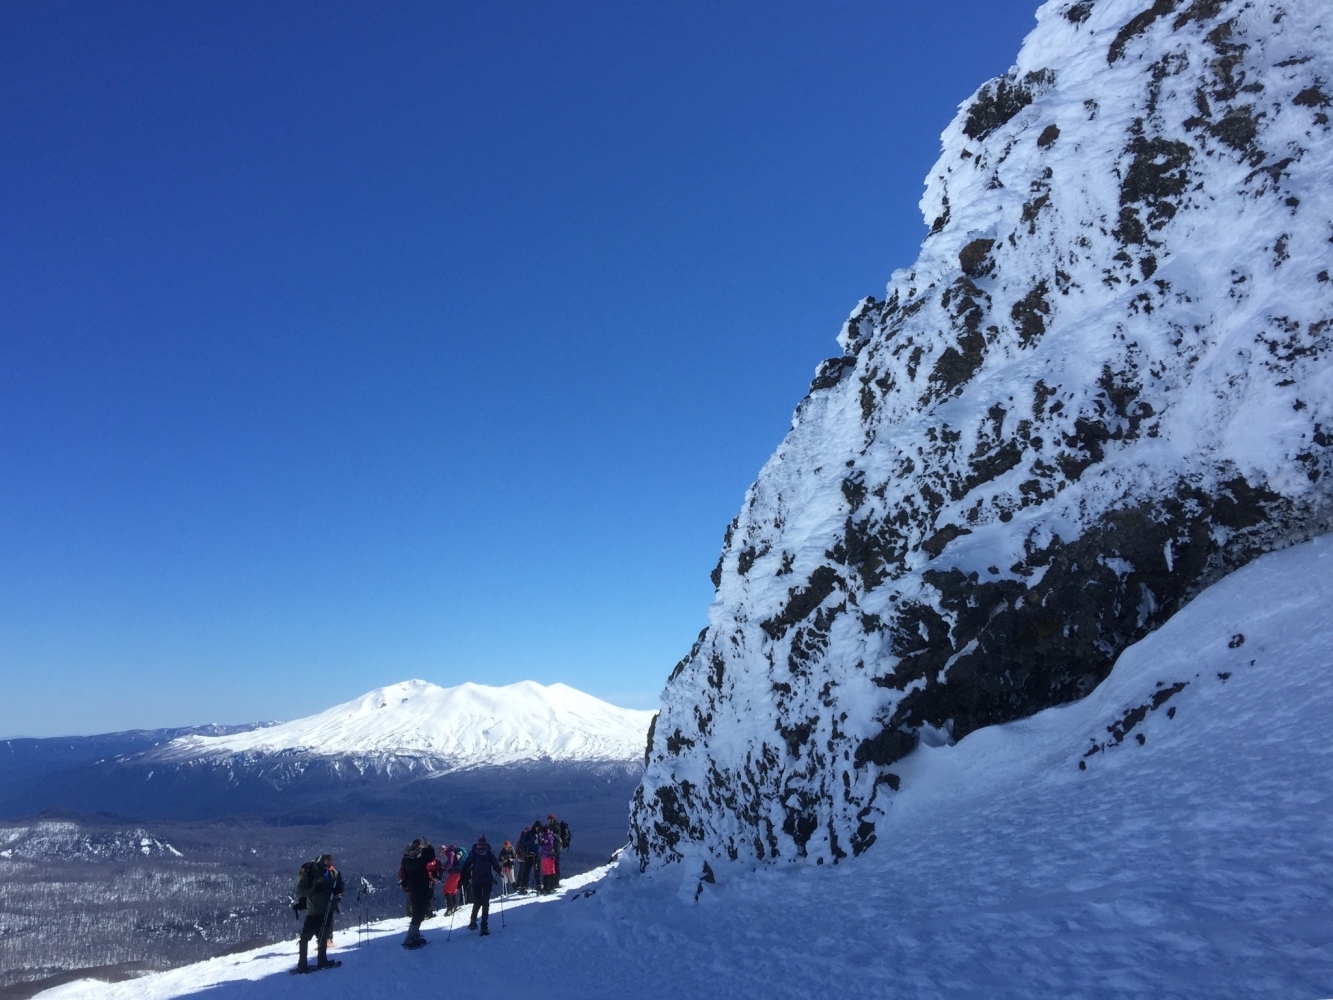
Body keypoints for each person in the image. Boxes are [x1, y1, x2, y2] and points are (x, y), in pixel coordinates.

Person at [294, 853, 344, 973]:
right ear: (321, 861)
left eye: (330, 862)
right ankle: (302, 965)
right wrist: (315, 889)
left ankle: (322, 961)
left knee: (323, 936)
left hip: (328, 909)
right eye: (326, 862)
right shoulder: (310, 872)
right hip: (314, 910)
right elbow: (300, 891)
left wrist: (339, 890)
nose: (329, 864)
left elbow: (340, 886)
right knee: (306, 937)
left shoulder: (333, 873)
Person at [460, 834, 503, 935]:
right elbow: (495, 864)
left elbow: (466, 864)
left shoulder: (474, 853)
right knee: (484, 903)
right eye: (480, 846)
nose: (481, 848)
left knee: (478, 902)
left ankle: (474, 922)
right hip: (485, 880)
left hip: (477, 880)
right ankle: (483, 926)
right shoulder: (488, 853)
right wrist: (498, 870)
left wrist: (464, 874)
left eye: (482, 846)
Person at [397, 839, 437, 949]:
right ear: (409, 851)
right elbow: (425, 859)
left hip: (420, 890)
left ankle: (415, 936)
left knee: (420, 914)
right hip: (416, 891)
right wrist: (427, 848)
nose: (416, 851)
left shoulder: (411, 860)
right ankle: (409, 938)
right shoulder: (409, 861)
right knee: (417, 915)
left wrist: (428, 847)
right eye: (414, 850)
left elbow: (429, 858)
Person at [442, 845, 463, 914]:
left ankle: (450, 908)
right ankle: (454, 905)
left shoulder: (450, 853)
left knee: (446, 890)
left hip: (454, 873)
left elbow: (450, 863)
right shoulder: (452, 853)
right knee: (453, 890)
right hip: (458, 873)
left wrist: (445, 868)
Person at [516, 824, 536, 894]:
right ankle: (524, 885)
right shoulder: (527, 836)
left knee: (522, 871)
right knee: (525, 871)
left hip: (520, 857)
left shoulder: (521, 838)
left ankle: (520, 885)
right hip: (525, 856)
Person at [537, 823, 558, 894]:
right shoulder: (545, 836)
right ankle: (546, 887)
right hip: (545, 856)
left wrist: (543, 844)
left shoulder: (549, 836)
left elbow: (550, 846)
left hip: (549, 856)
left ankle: (551, 887)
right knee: (546, 871)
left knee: (550, 871)